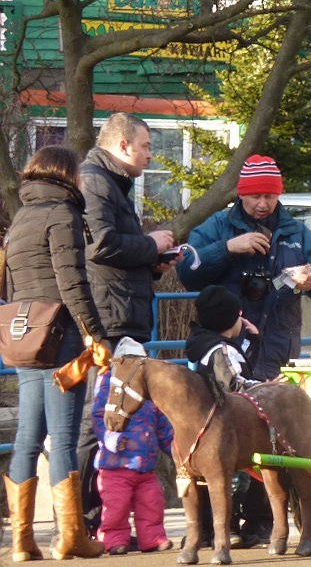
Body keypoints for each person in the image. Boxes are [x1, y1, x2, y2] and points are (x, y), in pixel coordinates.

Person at [176, 154, 311, 543]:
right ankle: (203, 529)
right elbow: (187, 271)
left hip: (273, 348)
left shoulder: (296, 233)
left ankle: (260, 523)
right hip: (220, 349)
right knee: (208, 432)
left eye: (269, 195)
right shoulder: (217, 227)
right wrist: (228, 248)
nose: (262, 204)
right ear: (241, 195)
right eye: (254, 196)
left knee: (269, 436)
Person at [2, 145, 108, 560]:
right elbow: (72, 284)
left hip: (26, 335)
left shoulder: (20, 219)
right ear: (66, 175)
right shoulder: (63, 215)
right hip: (61, 335)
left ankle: (22, 542)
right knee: (63, 437)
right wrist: (95, 334)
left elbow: (10, 286)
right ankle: (69, 536)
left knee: (27, 436)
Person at [77, 112, 179, 539]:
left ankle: (100, 522)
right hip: (111, 319)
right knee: (98, 417)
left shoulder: (113, 181)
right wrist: (150, 243)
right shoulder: (96, 180)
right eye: (146, 146)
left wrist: (153, 262)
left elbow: (118, 252)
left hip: (124, 312)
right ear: (122, 146)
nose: (150, 154)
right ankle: (84, 519)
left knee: (113, 413)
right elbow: (100, 245)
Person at [184, 285, 261, 548]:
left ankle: (209, 529)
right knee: (236, 477)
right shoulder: (219, 350)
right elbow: (235, 385)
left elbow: (237, 365)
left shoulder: (204, 343)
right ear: (231, 319)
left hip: (208, 421)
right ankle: (227, 526)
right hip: (225, 422)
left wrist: (252, 340)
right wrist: (267, 387)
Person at [91, 346, 174, 555]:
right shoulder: (109, 384)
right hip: (116, 466)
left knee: (152, 504)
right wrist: (110, 438)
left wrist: (175, 447)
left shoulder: (149, 391)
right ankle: (114, 540)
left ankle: (153, 537)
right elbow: (99, 415)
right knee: (116, 508)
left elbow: (162, 423)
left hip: (146, 467)